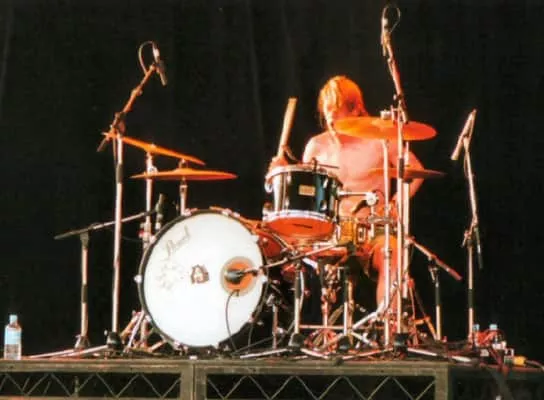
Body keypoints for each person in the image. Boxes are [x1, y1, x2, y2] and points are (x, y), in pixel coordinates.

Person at [269, 75, 424, 311]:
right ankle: (316, 328)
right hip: (329, 232)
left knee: (392, 254)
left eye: (336, 109)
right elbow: (304, 195)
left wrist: (396, 203)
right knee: (289, 256)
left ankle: (390, 326)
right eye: (326, 111)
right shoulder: (316, 146)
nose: (330, 117)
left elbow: (415, 171)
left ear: (355, 109)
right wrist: (281, 174)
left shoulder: (380, 140)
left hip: (372, 229)